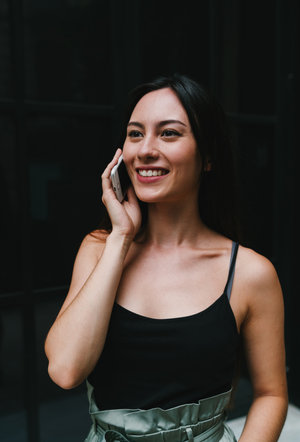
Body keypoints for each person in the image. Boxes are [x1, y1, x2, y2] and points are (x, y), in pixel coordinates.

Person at [45, 74, 288, 441]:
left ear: (208, 157)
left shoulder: (250, 273)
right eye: (135, 133)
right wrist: (122, 237)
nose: (144, 150)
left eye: (169, 133)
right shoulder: (100, 248)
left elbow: (271, 395)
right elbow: (66, 370)